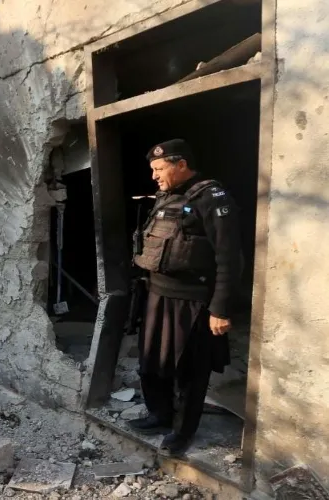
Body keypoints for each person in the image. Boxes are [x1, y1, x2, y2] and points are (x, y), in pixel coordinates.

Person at [128, 139, 242, 457]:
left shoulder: (211, 197)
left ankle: (182, 432)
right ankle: (159, 415)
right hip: (157, 294)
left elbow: (229, 258)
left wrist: (220, 308)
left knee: (190, 370)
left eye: (159, 169)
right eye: (152, 169)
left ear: (181, 165)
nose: (154, 176)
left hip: (192, 302)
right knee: (151, 360)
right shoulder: (166, 197)